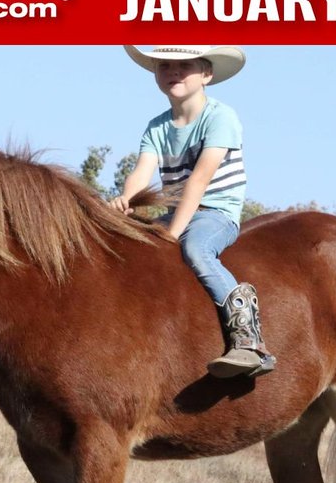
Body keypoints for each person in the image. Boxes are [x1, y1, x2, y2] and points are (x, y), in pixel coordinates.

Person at [111, 44, 275, 378]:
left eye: (184, 66)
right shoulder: (157, 127)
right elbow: (142, 173)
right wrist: (125, 199)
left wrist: (170, 234)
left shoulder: (220, 118)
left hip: (215, 212)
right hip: (176, 212)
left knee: (196, 250)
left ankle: (248, 340)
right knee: (129, 250)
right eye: (165, 65)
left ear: (206, 75)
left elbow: (198, 182)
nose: (173, 72)